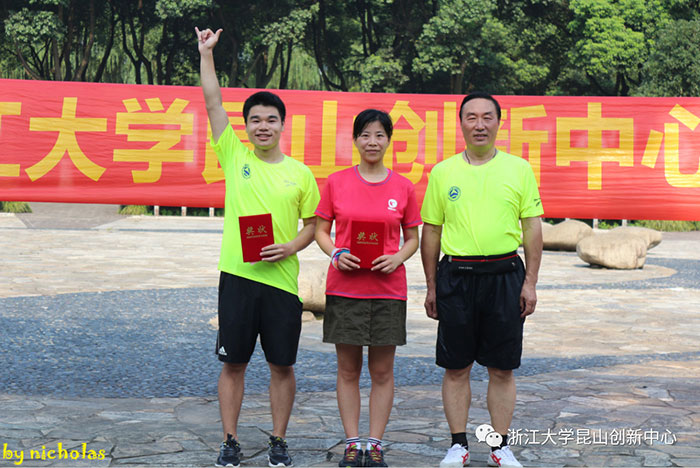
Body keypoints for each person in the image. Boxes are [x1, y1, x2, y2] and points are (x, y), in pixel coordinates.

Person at [196, 27, 320, 468]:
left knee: (282, 365)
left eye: (270, 119)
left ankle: (278, 440)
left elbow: (313, 226)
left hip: (282, 284)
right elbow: (213, 103)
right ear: (246, 125)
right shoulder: (235, 156)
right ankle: (229, 440)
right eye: (255, 120)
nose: (262, 126)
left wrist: (290, 247)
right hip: (238, 277)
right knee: (233, 364)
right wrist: (206, 55)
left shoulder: (301, 174)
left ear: (282, 124)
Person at [420, 92, 543, 468]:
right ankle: (458, 445)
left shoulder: (518, 169)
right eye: (471, 117)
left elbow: (532, 227)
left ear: (498, 123)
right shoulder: (443, 172)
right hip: (456, 278)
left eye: (487, 117)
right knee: (456, 367)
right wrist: (431, 286)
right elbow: (431, 231)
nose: (479, 124)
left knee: (502, 368)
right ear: (461, 123)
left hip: (505, 277)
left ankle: (500, 446)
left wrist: (531, 282)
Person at [314, 109, 421, 467]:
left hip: (388, 290)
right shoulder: (337, 182)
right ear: (355, 140)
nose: (372, 142)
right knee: (348, 371)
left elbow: (412, 237)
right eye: (365, 135)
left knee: (382, 372)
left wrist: (398, 258)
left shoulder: (403, 187)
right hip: (345, 289)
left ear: (388, 140)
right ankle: (351, 443)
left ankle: (374, 444)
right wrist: (335, 253)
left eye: (379, 135)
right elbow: (321, 231)